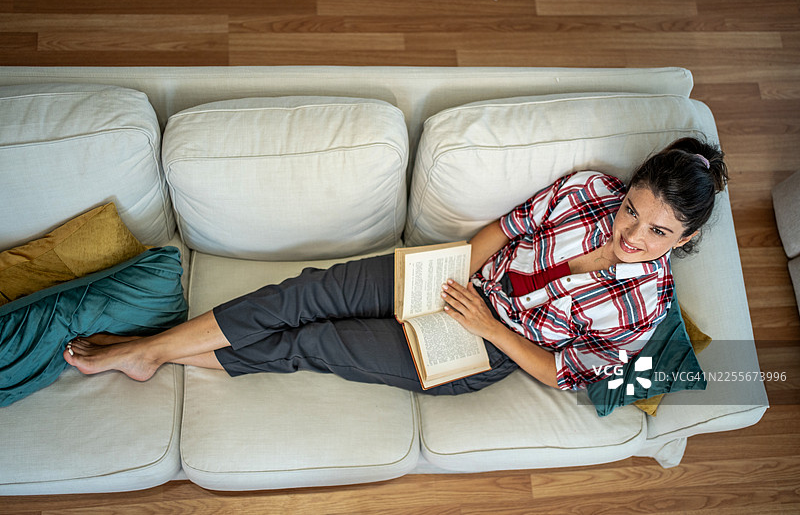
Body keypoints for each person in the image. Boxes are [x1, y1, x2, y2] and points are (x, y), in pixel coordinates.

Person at [64, 137, 728, 395]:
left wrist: (487, 327)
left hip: (487, 349)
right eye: (634, 212)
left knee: (315, 342)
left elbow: (568, 372)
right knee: (305, 294)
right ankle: (148, 351)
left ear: (686, 236)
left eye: (659, 230)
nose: (634, 234)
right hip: (455, 277)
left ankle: (153, 352)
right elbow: (507, 228)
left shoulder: (644, 307)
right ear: (629, 188)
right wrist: (453, 276)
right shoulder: (589, 191)